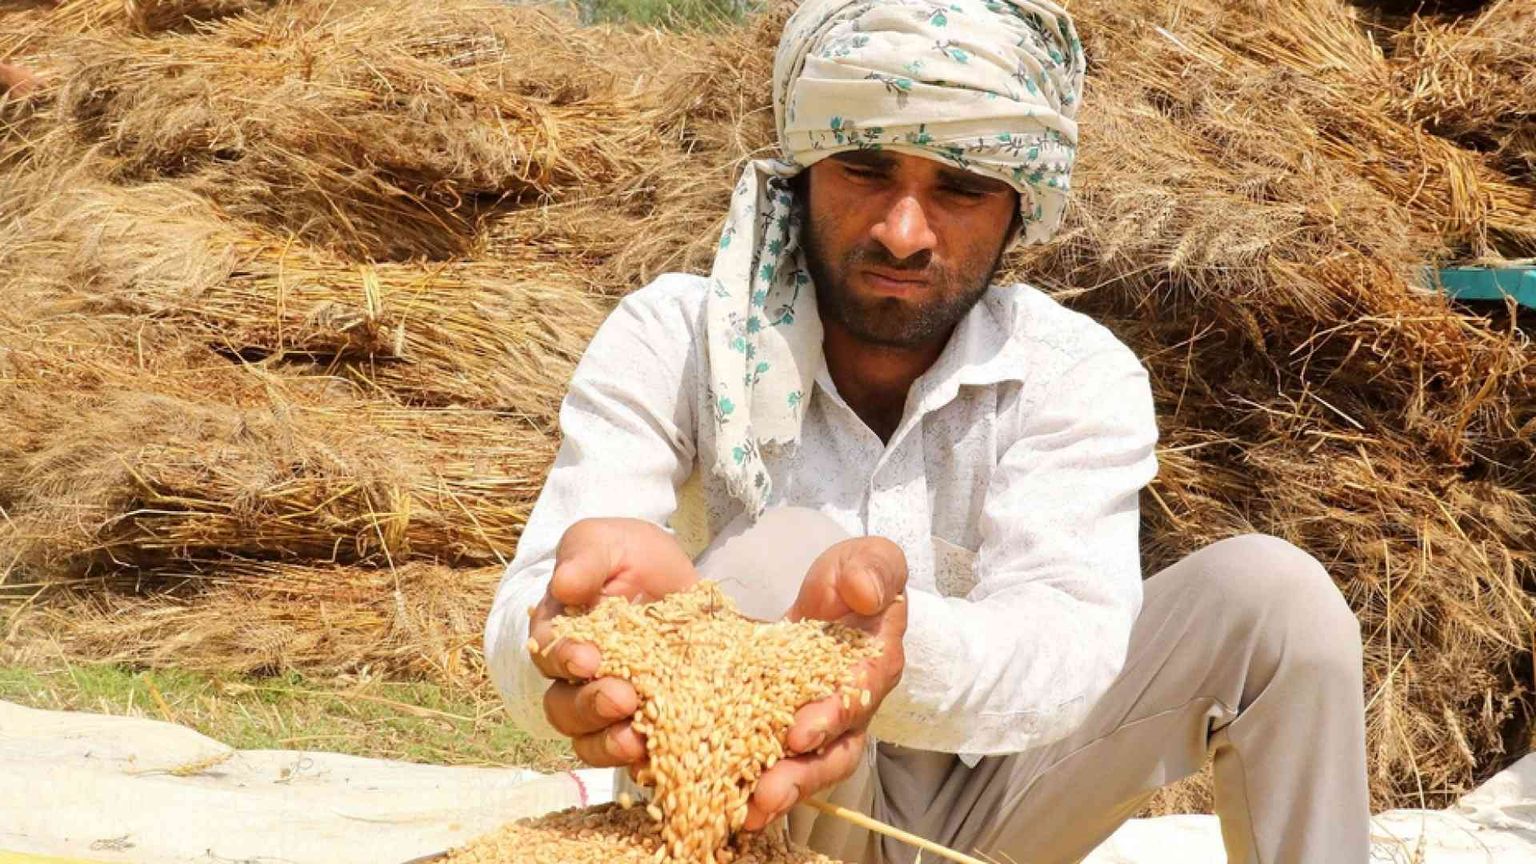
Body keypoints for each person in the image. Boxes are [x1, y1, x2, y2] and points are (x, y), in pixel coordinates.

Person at [486, 0, 1370, 861]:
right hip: (763, 809)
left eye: (961, 186)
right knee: (776, 551)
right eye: (866, 167)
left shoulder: (1071, 371)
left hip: (1002, 808)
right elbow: (530, 610)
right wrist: (575, 642)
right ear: (806, 172)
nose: (904, 233)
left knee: (1274, 600)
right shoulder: (677, 338)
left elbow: (1068, 645)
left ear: (1019, 209)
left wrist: (880, 655)